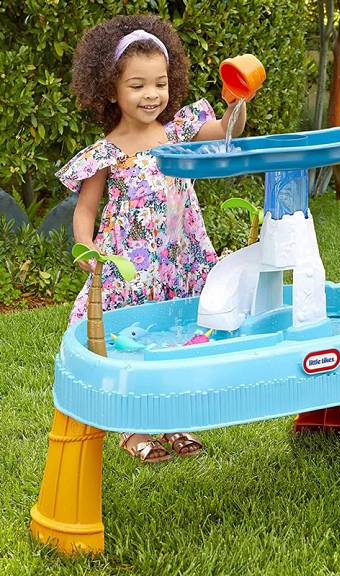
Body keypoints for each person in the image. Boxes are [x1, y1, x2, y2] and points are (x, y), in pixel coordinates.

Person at [56, 15, 247, 463]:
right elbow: (85, 210)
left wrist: (237, 100)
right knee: (130, 340)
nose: (151, 94)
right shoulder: (107, 152)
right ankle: (132, 428)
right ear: (111, 90)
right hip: (131, 267)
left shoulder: (177, 131)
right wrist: (86, 246)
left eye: (159, 83)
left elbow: (227, 131)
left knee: (176, 336)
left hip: (179, 260)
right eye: (137, 85)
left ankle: (173, 420)